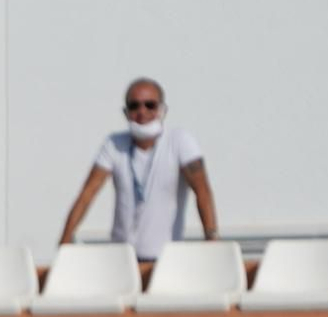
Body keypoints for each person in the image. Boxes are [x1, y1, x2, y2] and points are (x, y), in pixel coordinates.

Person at [58, 77, 218, 261]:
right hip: (122, 258)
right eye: (134, 106)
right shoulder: (114, 144)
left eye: (149, 105)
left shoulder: (179, 141)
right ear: (126, 112)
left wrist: (211, 238)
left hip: (165, 258)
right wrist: (65, 241)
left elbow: (202, 190)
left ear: (161, 109)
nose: (142, 112)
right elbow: (87, 194)